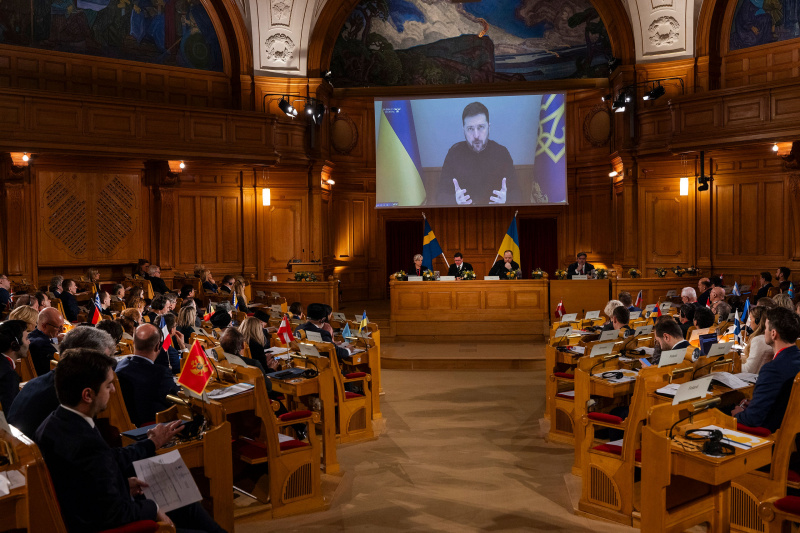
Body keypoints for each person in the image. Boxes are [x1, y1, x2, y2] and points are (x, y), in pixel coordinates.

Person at [35, 348, 225, 533]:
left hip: (94, 505)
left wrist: (147, 450)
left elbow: (95, 470)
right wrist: (153, 508)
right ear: (88, 394)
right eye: (108, 385)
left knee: (187, 505)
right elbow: (113, 513)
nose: (113, 390)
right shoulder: (84, 441)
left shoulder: (54, 422)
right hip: (110, 524)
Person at [8, 326, 116, 440]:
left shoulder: (40, 381)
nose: (108, 367)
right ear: (85, 360)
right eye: (104, 361)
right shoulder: (69, 400)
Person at [435, 101, 519, 205]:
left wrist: (506, 200)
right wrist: (454, 200)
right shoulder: (454, 153)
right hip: (463, 217)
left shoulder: (502, 153)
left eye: (481, 127)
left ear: (489, 127)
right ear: (464, 130)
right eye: (470, 129)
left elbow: (518, 194)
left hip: (495, 215)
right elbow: (440, 196)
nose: (476, 135)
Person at [734, 307, 800, 432]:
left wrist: (737, 415)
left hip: (769, 436)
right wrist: (756, 403)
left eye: (765, 327)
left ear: (773, 333)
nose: (764, 331)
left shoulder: (772, 369)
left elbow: (752, 420)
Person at [115, 324, 180, 427]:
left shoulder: (120, 365)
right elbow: (178, 401)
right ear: (158, 346)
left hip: (128, 425)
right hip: (155, 427)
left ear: (133, 342)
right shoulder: (160, 374)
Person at [0, 320, 29, 412]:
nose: (29, 342)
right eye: (26, 339)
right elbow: (12, 415)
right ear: (15, 345)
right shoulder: (9, 376)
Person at [27, 307, 64, 376]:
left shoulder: (31, 335)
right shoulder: (43, 346)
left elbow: (45, 339)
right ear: (44, 326)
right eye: (58, 327)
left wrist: (56, 339)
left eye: (62, 326)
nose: (62, 330)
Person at [742, 306, 774, 374]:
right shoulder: (771, 337)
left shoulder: (759, 340)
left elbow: (748, 370)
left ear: (757, 321)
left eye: (750, 319)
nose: (749, 322)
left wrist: (732, 366)